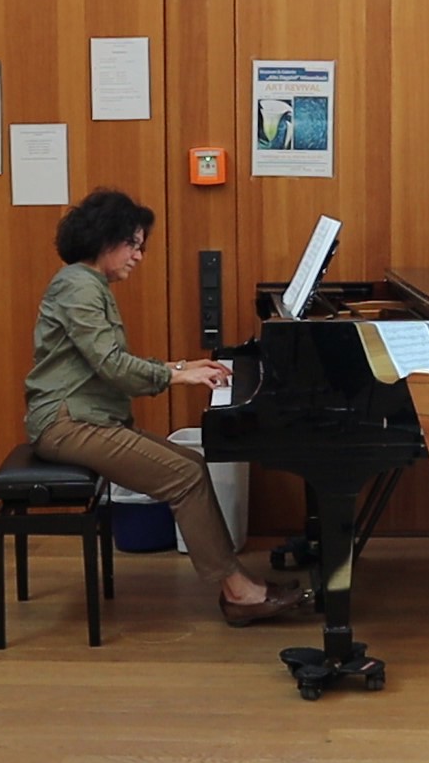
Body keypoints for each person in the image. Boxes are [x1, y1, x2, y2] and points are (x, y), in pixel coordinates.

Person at [24, 187, 309, 626]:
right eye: (132, 244)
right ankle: (237, 592)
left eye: (141, 245)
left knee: (190, 463)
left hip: (86, 419)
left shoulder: (86, 284)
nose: (138, 255)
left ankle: (235, 585)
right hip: (67, 423)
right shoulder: (78, 286)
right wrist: (178, 375)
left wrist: (179, 365)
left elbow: (107, 364)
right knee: (184, 476)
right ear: (105, 239)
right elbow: (112, 366)